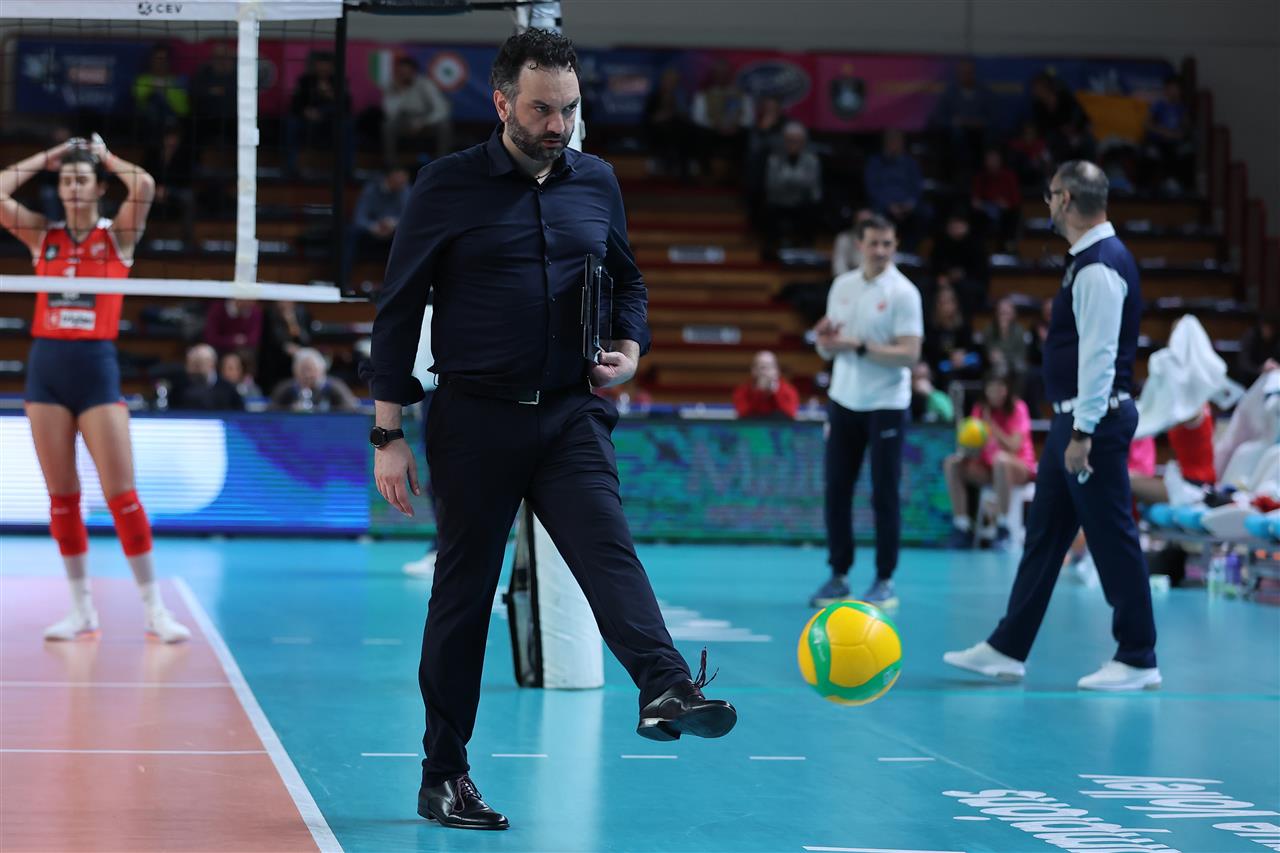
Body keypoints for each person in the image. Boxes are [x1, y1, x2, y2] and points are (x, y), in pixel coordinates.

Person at [366, 30, 737, 831]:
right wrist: (386, 432)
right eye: (541, 109)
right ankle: (443, 775)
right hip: (474, 420)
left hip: (571, 413)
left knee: (609, 551)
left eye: (568, 108)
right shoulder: (446, 185)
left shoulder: (596, 181)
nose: (557, 124)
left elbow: (629, 279)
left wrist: (630, 347)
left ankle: (666, 684)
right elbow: (397, 309)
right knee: (464, 597)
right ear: (502, 102)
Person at [944, 160, 1161, 692]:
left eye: (1049, 196)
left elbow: (1100, 358)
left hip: (1092, 423)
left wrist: (1083, 434)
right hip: (1075, 420)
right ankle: (1007, 648)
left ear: (1064, 199)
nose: (1047, 206)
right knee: (1043, 538)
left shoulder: (1099, 266)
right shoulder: (1086, 260)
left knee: (1111, 536)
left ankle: (1138, 656)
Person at [0, 135, 189, 643]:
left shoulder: (117, 237)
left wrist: (105, 157)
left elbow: (143, 184)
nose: (73, 188)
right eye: (66, 180)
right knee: (62, 497)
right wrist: (46, 157)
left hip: (95, 368)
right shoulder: (43, 235)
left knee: (121, 494)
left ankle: (154, 610)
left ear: (99, 187)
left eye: (82, 180)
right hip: (47, 369)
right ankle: (81, 609)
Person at [810, 214, 923, 609]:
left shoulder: (904, 293)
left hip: (886, 405)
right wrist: (824, 341)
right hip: (844, 400)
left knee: (884, 494)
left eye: (887, 244)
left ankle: (884, 579)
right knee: (837, 490)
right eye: (874, 243)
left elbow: (910, 353)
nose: (880, 251)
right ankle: (838, 575)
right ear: (859, 245)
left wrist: (858, 346)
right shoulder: (842, 286)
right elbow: (828, 348)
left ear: (895, 245)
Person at [943, 370, 1036, 550]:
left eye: (1000, 387)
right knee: (952, 463)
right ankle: (962, 526)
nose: (995, 393)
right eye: (991, 388)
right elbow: (975, 446)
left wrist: (991, 426)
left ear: (1007, 389)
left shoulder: (1018, 408)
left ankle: (1002, 527)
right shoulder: (980, 409)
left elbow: (1014, 446)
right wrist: (966, 446)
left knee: (1000, 460)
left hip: (1019, 468)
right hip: (989, 468)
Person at [345, 167, 412, 286]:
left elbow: (408, 217)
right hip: (371, 232)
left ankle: (399, 284)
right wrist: (374, 227)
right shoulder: (371, 190)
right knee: (350, 232)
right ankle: (344, 281)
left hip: (394, 233)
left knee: (409, 237)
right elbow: (359, 218)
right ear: (390, 177)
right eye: (399, 180)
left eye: (404, 181)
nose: (402, 184)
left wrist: (392, 224)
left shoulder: (405, 190)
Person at [381, 56, 453, 166]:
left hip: (425, 120)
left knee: (444, 126)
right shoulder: (392, 86)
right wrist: (400, 91)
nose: (404, 75)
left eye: (407, 72)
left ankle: (442, 164)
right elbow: (390, 113)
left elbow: (441, 108)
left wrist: (423, 122)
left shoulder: (425, 83)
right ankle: (391, 166)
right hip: (404, 120)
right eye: (401, 72)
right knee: (388, 126)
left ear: (413, 72)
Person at [268, 347, 359, 413]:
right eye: (303, 370)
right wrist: (290, 410)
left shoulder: (336, 387)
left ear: (321, 370)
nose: (307, 375)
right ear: (295, 372)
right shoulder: (285, 389)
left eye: (311, 370)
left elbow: (351, 410)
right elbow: (271, 412)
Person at [171, 343, 245, 411]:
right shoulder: (179, 388)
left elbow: (239, 414)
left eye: (198, 363)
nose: (192, 369)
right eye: (190, 363)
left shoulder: (227, 389)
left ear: (211, 363)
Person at [733, 350, 799, 419]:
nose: (766, 372)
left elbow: (790, 415)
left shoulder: (789, 391)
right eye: (762, 367)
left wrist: (774, 393)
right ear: (754, 370)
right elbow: (742, 415)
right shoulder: (741, 391)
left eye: (770, 367)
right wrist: (758, 392)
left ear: (777, 370)